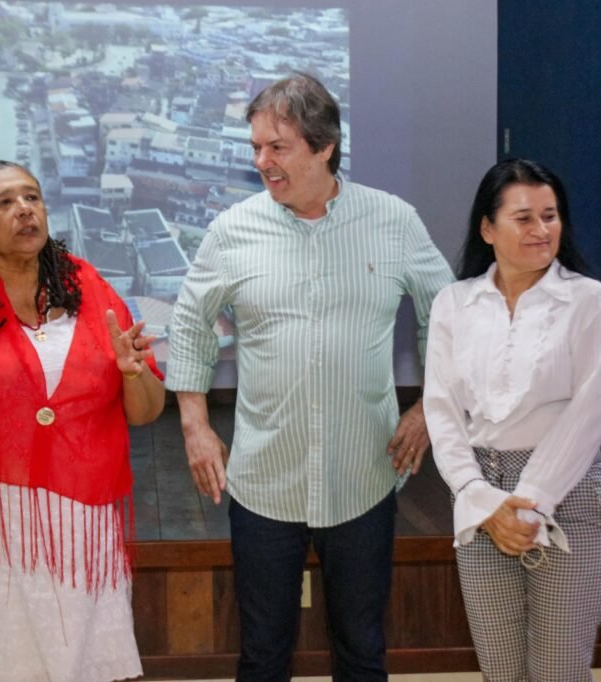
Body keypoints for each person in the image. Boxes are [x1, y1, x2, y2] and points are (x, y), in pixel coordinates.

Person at [165, 73, 454, 681]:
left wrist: (431, 406)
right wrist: (194, 424)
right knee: (263, 655)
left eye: (278, 147)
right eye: (255, 147)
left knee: (361, 650)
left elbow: (449, 316)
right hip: (264, 482)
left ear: (324, 146)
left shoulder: (393, 221)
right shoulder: (232, 230)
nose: (261, 162)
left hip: (363, 477)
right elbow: (190, 323)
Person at [0, 160, 165, 682]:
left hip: (85, 521)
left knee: (96, 665)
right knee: (12, 664)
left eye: (32, 197)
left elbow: (146, 411)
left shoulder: (92, 291)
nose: (25, 210)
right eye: (5, 202)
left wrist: (133, 373)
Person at [423, 158, 601, 682]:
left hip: (568, 494)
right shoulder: (454, 304)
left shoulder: (588, 300)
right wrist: (481, 498)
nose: (541, 229)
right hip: (480, 498)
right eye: (524, 218)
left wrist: (531, 502)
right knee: (501, 672)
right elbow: (442, 410)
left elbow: (590, 410)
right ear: (488, 229)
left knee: (558, 671)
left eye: (550, 216)